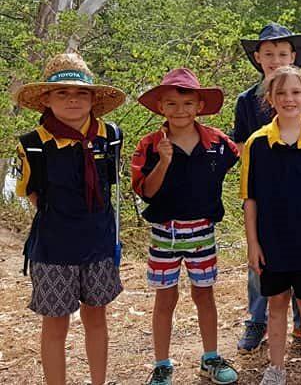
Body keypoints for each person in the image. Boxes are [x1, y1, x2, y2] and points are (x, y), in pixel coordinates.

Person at [14, 52, 126, 385]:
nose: (72, 100)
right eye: (61, 92)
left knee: (96, 319)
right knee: (55, 324)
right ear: (46, 99)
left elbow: (111, 184)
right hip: (53, 249)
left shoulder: (111, 136)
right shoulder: (33, 145)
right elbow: (33, 194)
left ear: (93, 98)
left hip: (99, 244)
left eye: (80, 93)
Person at [131, 68, 240, 385]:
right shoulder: (150, 145)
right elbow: (146, 191)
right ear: (160, 107)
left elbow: (242, 155)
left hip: (202, 231)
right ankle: (162, 364)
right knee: (165, 298)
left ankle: (210, 357)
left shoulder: (218, 143)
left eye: (188, 103)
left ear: (199, 106)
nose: (181, 111)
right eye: (172, 104)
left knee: (204, 295)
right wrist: (164, 162)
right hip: (165, 232)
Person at [234, 23, 301, 351]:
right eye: (269, 54)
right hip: (266, 192)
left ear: (294, 57)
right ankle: (257, 321)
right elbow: (240, 144)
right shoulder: (246, 100)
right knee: (261, 262)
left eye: (283, 53)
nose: (276, 59)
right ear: (258, 58)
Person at [241, 66, 301, 385]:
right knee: (276, 306)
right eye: (280, 93)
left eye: (296, 92)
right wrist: (253, 244)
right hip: (272, 243)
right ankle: (276, 368)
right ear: (269, 99)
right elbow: (250, 199)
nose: (289, 99)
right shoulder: (256, 144)